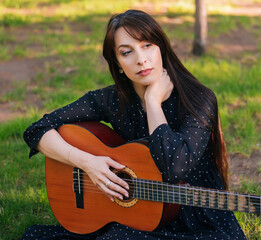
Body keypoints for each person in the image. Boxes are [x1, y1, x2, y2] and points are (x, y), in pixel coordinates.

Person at [21, 9, 246, 240]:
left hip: (197, 217)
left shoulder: (198, 99)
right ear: (117, 63)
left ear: (162, 49)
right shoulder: (112, 100)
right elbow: (37, 129)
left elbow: (174, 168)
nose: (140, 59)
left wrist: (152, 102)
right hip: (138, 212)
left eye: (147, 45)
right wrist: (87, 163)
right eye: (127, 52)